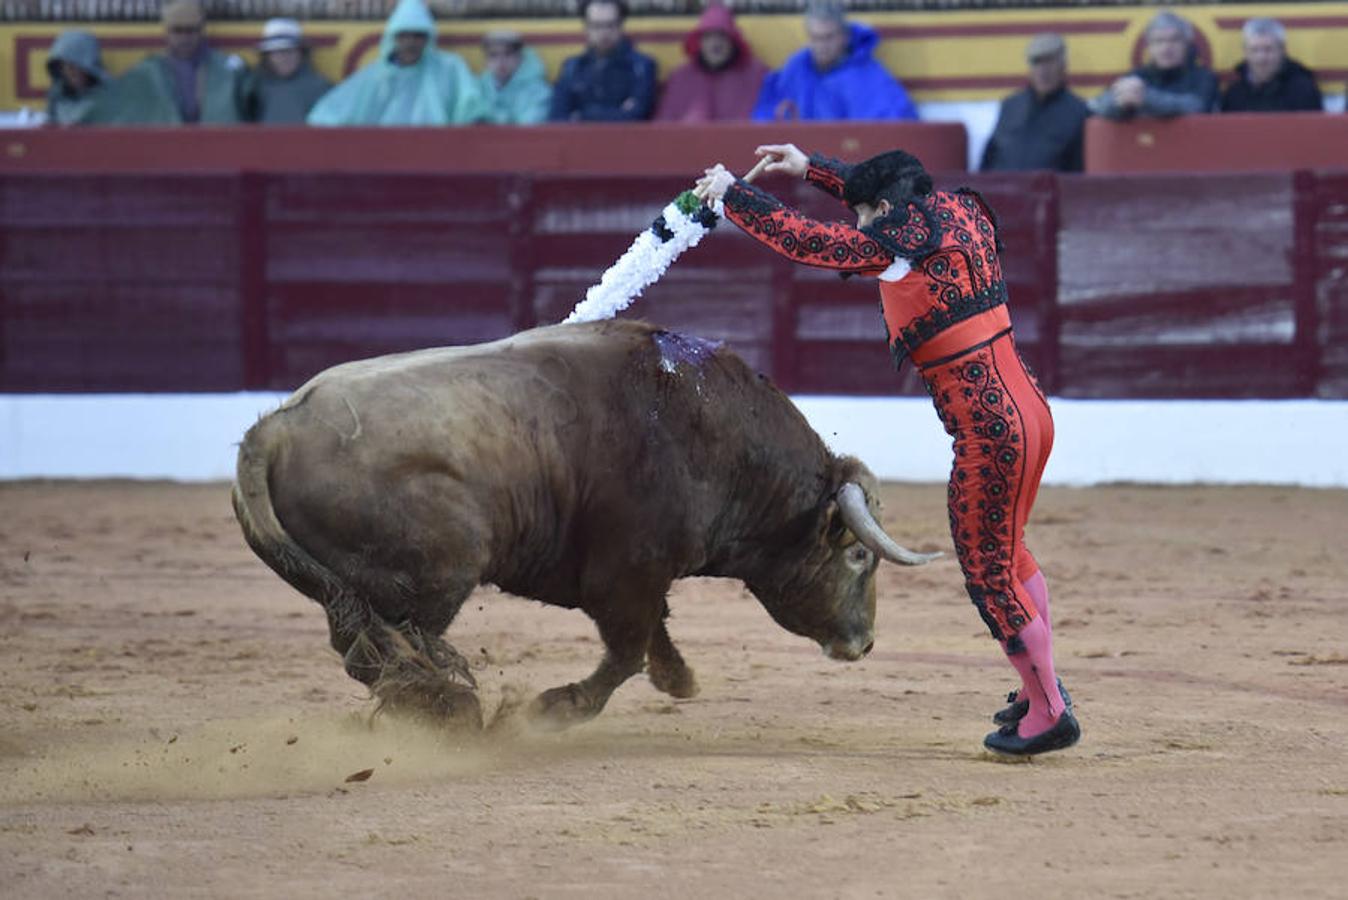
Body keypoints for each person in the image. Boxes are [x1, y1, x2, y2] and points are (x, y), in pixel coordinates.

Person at [695, 144, 1079, 757]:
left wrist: (733, 195)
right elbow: (881, 193)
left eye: (861, 214)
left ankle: (1050, 709)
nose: (857, 227)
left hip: (989, 432)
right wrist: (811, 168)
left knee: (986, 569)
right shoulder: (958, 212)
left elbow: (805, 241)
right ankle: (1040, 692)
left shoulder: (894, 243)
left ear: (881, 209)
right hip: (1032, 411)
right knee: (1012, 554)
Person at [307, 0, 485, 127]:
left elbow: (471, 109)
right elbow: (326, 115)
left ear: (428, 38)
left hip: (439, 156)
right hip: (384, 159)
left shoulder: (449, 68)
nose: (411, 42)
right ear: (394, 37)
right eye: (404, 34)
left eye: (418, 35)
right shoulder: (374, 77)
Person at [751, 0, 917, 122]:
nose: (822, 45)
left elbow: (892, 127)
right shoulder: (795, 69)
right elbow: (767, 117)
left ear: (845, 37)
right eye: (815, 38)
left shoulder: (869, 77)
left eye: (828, 37)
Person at [110, 0, 247, 125]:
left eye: (190, 31)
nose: (184, 38)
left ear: (201, 31)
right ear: (167, 32)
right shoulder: (148, 72)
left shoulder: (227, 69)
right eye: (178, 31)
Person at [980, 33, 1090, 173]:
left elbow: (1080, 172)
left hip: (1051, 193)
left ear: (1064, 65)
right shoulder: (1010, 106)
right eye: (1037, 62)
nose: (1043, 71)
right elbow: (988, 162)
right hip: (1003, 192)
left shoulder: (1079, 112)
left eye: (1049, 62)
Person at [1090, 10, 1218, 119]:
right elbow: (1097, 105)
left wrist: (1145, 98)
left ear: (1187, 44)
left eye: (1174, 40)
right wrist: (1120, 104)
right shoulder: (1136, 76)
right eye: (1158, 41)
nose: (1166, 48)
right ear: (1149, 47)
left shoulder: (1204, 77)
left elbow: (1197, 107)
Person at [654, 2, 768, 123]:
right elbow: (663, 124)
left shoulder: (757, 75)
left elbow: (768, 118)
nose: (715, 44)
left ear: (733, 42)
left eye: (722, 36)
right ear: (699, 42)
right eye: (708, 37)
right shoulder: (681, 78)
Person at [549, 0, 657, 122]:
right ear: (586, 28)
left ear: (621, 25)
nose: (604, 32)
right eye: (596, 26)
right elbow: (557, 118)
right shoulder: (572, 67)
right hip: (577, 141)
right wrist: (617, 112)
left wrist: (580, 116)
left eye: (610, 25)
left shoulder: (641, 66)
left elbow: (636, 116)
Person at [1220, 18, 1323, 113]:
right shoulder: (1234, 94)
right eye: (1254, 50)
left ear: (1282, 50)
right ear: (1245, 52)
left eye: (1268, 49)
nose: (1261, 58)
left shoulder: (1303, 90)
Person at [242, 19, 332, 125]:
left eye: (289, 51)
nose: (284, 58)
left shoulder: (321, 87)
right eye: (277, 52)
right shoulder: (253, 86)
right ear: (267, 56)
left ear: (302, 53)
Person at [477, 28, 551, 125]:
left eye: (508, 54)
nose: (501, 61)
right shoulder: (477, 87)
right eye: (493, 55)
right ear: (486, 60)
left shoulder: (539, 92)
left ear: (520, 57)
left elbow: (530, 126)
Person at [44, 30, 110, 126]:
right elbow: (50, 127)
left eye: (75, 66)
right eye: (65, 66)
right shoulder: (58, 94)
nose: (70, 72)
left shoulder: (108, 94)